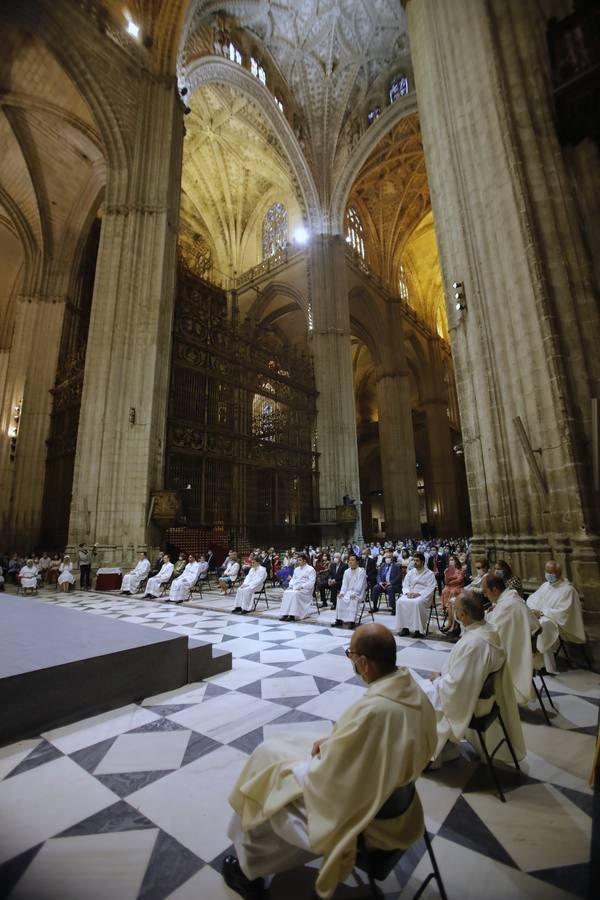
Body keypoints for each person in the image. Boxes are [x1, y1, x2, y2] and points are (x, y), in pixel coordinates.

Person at [223, 624, 437, 900]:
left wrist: (315, 761)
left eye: (351, 654)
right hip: (399, 802)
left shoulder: (377, 710)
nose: (351, 660)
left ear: (364, 662)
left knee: (268, 784)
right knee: (280, 749)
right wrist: (333, 744)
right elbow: (376, 748)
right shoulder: (413, 692)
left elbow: (329, 780)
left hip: (366, 817)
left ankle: (246, 871)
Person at [417, 592, 525, 764]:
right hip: (472, 692)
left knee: (414, 697)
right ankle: (443, 746)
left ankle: (430, 755)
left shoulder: (476, 643)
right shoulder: (486, 630)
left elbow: (458, 686)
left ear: (462, 614)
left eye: (455, 608)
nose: (453, 611)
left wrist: (439, 680)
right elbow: (464, 674)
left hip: (470, 700)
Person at [484, 574, 540, 704]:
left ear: (495, 590)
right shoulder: (511, 599)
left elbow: (493, 634)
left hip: (513, 652)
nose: (485, 595)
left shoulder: (507, 606)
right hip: (518, 645)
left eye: (486, 592)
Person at [526, 560, 586, 674]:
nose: (548, 574)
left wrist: (542, 613)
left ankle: (545, 666)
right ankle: (532, 660)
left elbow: (564, 612)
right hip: (541, 616)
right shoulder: (545, 585)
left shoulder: (568, 590)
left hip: (558, 622)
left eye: (551, 572)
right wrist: (534, 610)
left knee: (543, 627)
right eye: (546, 571)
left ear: (558, 573)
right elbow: (532, 599)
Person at [394, 551, 437, 638]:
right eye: (414, 560)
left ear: (423, 562)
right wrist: (407, 592)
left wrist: (418, 594)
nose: (415, 562)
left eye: (417, 561)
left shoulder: (429, 573)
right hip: (410, 593)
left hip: (424, 595)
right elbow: (405, 584)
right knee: (400, 601)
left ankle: (418, 630)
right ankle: (405, 628)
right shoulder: (411, 572)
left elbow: (431, 588)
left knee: (416, 603)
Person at [279, 553, 316, 621]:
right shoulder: (296, 569)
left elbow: (311, 582)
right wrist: (291, 585)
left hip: (306, 589)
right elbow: (293, 579)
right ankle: (285, 613)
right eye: (298, 560)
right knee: (286, 592)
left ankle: (292, 615)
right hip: (295, 587)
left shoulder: (311, 569)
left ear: (304, 561)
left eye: (299, 560)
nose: (298, 562)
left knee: (295, 594)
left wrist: (302, 586)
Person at [334, 554, 367, 628]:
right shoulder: (346, 571)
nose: (350, 562)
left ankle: (352, 621)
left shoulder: (361, 571)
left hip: (359, 593)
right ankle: (339, 620)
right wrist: (342, 593)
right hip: (348, 592)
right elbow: (344, 584)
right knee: (340, 598)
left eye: (352, 560)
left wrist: (355, 593)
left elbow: (360, 584)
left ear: (357, 561)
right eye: (349, 560)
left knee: (352, 599)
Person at [440, 554, 465, 635]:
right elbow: (446, 582)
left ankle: (454, 625)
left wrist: (451, 581)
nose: (451, 561)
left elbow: (459, 580)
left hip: (458, 588)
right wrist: (445, 575)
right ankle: (449, 622)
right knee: (444, 591)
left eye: (452, 560)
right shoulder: (448, 570)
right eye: (450, 560)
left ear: (456, 561)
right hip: (449, 587)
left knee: (453, 592)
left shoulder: (460, 570)